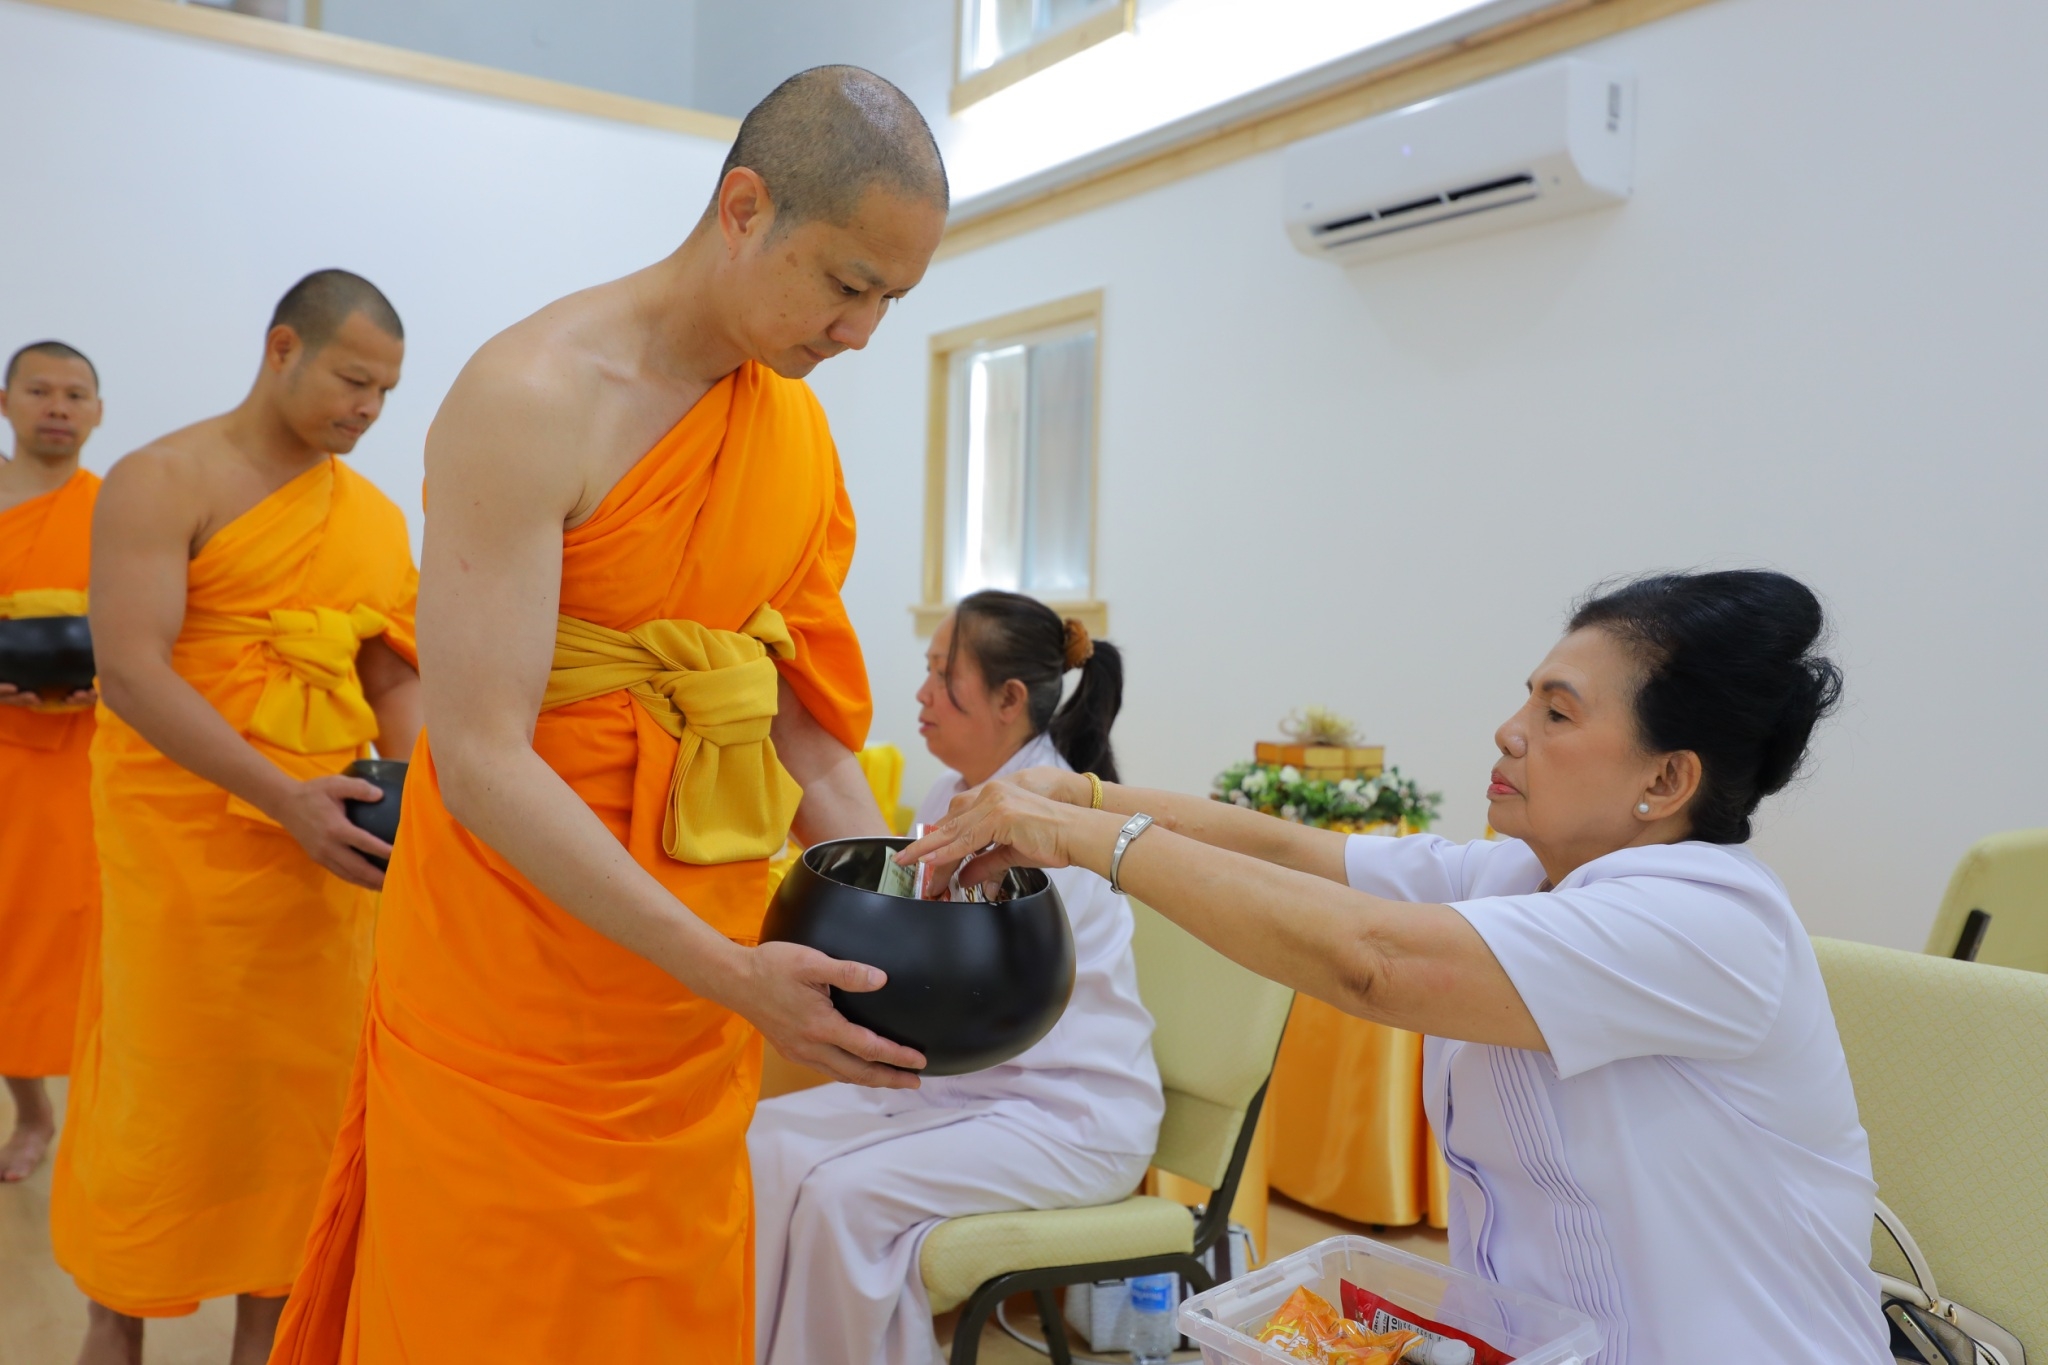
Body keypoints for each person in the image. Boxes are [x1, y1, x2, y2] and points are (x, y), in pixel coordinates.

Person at [269, 67, 946, 1365]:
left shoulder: (791, 433)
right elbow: (475, 757)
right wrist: (738, 976)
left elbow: (803, 723)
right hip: (514, 987)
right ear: (744, 207)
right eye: (847, 283)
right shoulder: (532, 395)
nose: (861, 331)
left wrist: (900, 910)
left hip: (689, 1004)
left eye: (892, 302)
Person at [908, 570, 1889, 1365]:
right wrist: (1076, 793)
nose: (1508, 732)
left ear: (1664, 779)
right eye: (1527, 699)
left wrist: (1086, 840)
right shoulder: (1521, 875)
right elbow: (1289, 853)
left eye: (1556, 714)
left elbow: (1371, 959)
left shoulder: (1701, 923)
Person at [50, 272, 420, 1365]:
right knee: (159, 1095)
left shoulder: (371, 516)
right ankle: (115, 1320)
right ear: (281, 348)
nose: (366, 408)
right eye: (353, 378)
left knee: (299, 1107)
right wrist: (278, 798)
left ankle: (273, 1335)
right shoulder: (165, 478)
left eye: (385, 392)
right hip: (185, 850)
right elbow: (130, 673)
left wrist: (402, 795)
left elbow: (393, 672)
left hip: (325, 861)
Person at [750, 591, 1164, 1365]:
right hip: (965, 1086)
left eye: (945, 675)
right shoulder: (951, 799)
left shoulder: (1052, 814)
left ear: (1010, 700)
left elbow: (957, 979)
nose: (923, 693)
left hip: (1067, 1112)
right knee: (764, 1139)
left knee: (844, 1199)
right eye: (928, 670)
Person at [0, 341, 105, 1183]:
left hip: (93, 759)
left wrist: (111, 680)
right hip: (3, 758)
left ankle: (106, 1112)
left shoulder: (117, 510)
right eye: (39, 390)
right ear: (7, 402)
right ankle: (31, 1111)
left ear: (98, 413)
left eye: (76, 393)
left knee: (101, 941)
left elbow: (156, 628)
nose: (57, 406)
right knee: (7, 945)